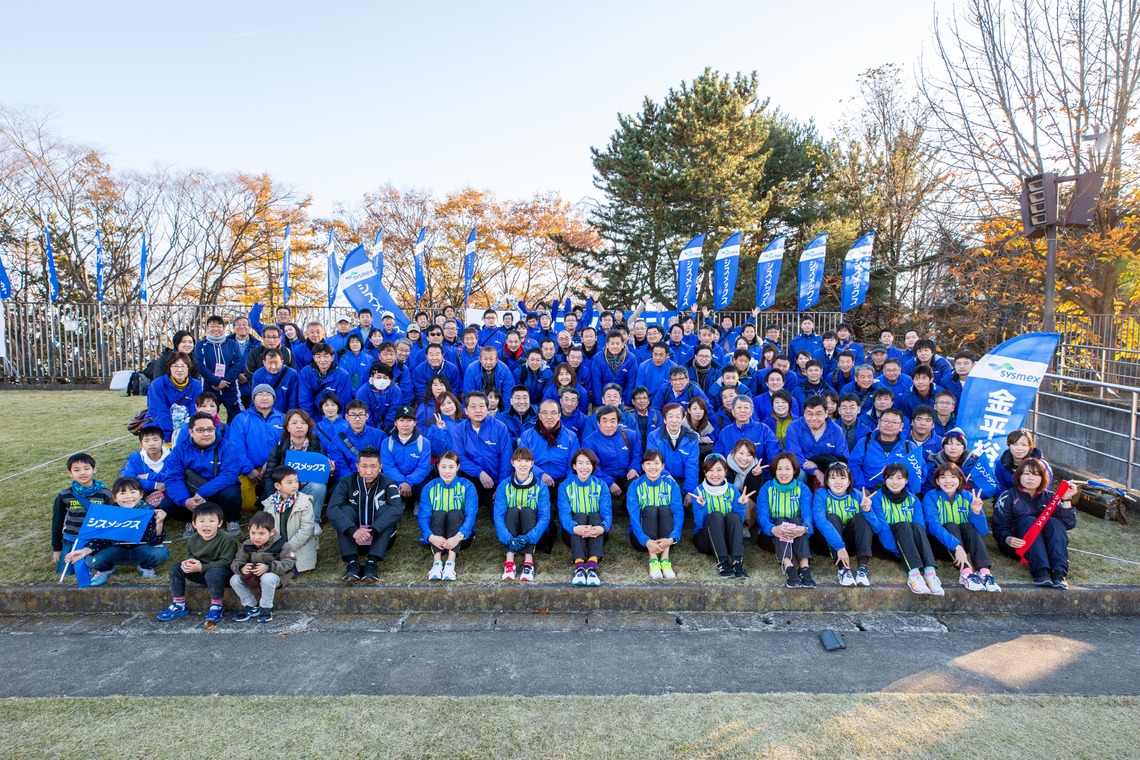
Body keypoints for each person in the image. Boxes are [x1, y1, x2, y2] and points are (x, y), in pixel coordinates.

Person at [62, 477, 169, 585]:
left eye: (133, 492)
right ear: (115, 497)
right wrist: (85, 551)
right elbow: (101, 539)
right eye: (122, 493)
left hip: (141, 549)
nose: (128, 497)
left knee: (161, 553)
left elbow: (154, 541)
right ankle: (106, 569)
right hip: (116, 550)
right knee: (91, 560)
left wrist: (159, 523)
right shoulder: (109, 513)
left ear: (141, 494)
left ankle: (145, 567)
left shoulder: (149, 511)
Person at [992, 457, 1078, 588]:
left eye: (1036, 474)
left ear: (1043, 478)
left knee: (1055, 523)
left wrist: (1066, 499)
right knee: (1029, 520)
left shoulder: (1049, 497)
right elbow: (999, 526)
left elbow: (1068, 523)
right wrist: (1007, 539)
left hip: (1045, 545)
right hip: (1018, 544)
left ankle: (1058, 573)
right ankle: (1041, 571)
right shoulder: (1008, 496)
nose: (1031, 478)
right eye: (1026, 474)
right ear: (1019, 476)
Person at [159, 411, 245, 534]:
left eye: (210, 429)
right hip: (191, 493)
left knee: (231, 494)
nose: (206, 434)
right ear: (191, 432)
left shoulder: (227, 447)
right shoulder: (179, 450)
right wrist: (185, 500)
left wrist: (203, 492)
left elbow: (229, 475)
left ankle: (231, 519)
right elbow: (173, 478)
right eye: (200, 430)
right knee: (166, 504)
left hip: (217, 491)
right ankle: (192, 520)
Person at [868, 463, 945, 595]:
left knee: (917, 526)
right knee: (903, 524)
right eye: (890, 478)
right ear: (884, 479)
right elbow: (882, 528)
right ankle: (914, 576)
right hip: (888, 546)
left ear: (906, 480)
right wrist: (897, 550)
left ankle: (930, 573)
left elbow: (919, 526)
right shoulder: (877, 497)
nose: (895, 482)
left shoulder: (913, 499)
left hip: (910, 546)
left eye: (899, 478)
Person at [328, 446, 403, 583]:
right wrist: (353, 530)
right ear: (357, 466)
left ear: (380, 467)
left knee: (388, 510)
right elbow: (332, 509)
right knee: (344, 510)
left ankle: (371, 563)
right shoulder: (346, 482)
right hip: (353, 537)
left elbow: (397, 509)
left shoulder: (389, 483)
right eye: (364, 466)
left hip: (379, 537)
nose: (368, 471)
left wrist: (372, 530)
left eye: (373, 466)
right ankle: (352, 563)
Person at [155, 502, 239, 625]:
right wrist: (188, 564)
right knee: (176, 567)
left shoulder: (227, 539)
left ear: (220, 523)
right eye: (201, 521)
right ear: (194, 524)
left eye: (211, 521)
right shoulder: (193, 539)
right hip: (202, 572)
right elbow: (192, 556)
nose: (206, 525)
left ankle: (217, 606)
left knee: (213, 573)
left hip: (223, 574)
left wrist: (202, 567)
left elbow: (227, 563)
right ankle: (179, 604)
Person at [922, 463, 999, 592]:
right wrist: (956, 546)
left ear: (960, 480)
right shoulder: (931, 497)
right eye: (943, 477)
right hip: (940, 545)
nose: (948, 481)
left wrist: (977, 513)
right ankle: (966, 573)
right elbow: (934, 527)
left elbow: (982, 532)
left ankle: (984, 572)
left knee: (968, 526)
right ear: (937, 481)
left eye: (953, 477)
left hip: (963, 546)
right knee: (951, 525)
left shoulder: (968, 497)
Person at [810, 463, 880, 587]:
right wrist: (839, 547)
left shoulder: (857, 495)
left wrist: (867, 510)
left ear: (849, 482)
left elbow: (877, 528)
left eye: (842, 478)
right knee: (831, 517)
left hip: (849, 545)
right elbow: (820, 521)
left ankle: (862, 569)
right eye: (833, 478)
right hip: (825, 545)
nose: (838, 482)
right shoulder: (821, 494)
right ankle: (843, 570)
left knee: (861, 518)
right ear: (826, 481)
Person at [265, 409, 332, 532]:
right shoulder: (280, 446)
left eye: (303, 422)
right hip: (285, 491)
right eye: (294, 423)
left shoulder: (316, 445)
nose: (299, 426)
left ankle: (314, 521)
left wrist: (330, 471)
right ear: (287, 427)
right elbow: (269, 474)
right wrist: (270, 498)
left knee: (318, 486)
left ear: (308, 426)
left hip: (307, 490)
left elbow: (323, 475)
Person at [756, 452, 815, 588]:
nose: (783, 473)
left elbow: (807, 514)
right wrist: (772, 529)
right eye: (779, 468)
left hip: (797, 535)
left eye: (787, 468)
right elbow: (762, 516)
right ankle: (789, 568)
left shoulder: (802, 489)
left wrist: (805, 528)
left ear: (794, 470)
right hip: (770, 536)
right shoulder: (767, 488)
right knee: (780, 521)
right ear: (774, 471)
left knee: (796, 520)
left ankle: (804, 568)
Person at [493, 447, 551, 582]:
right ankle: (509, 561)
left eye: (527, 460)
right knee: (512, 510)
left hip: (531, 529)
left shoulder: (540, 486)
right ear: (512, 463)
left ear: (532, 463)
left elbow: (544, 517)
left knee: (527, 510)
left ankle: (528, 562)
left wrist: (530, 537)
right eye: (519, 461)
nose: (522, 464)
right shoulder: (504, 485)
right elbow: (498, 515)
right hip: (511, 528)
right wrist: (507, 538)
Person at [419, 451, 478, 581]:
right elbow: (423, 516)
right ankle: (437, 563)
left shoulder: (467, 486)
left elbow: (471, 515)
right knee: (439, 513)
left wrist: (458, 536)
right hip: (436, 535)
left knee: (455, 512)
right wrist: (431, 536)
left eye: (451, 467)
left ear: (458, 467)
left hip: (460, 537)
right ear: (437, 467)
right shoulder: (429, 488)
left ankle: (450, 564)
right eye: (443, 467)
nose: (447, 471)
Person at [229, 511, 297, 623]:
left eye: (261, 533)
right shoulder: (247, 545)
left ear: (271, 532)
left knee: (267, 578)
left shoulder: (281, 544)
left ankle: (266, 608)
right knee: (234, 579)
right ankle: (251, 606)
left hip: (276, 575)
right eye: (253, 533)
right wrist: (241, 568)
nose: (256, 537)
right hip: (254, 575)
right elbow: (237, 561)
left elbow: (289, 562)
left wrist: (268, 567)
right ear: (249, 530)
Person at [626, 450, 684, 580]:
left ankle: (665, 560)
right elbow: (634, 517)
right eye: (648, 463)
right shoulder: (635, 486)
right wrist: (646, 540)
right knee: (650, 509)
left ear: (663, 466)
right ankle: (653, 560)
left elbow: (678, 514)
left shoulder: (672, 485)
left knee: (664, 509)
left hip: (666, 541)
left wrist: (672, 538)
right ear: (643, 466)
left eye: (656, 463)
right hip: (642, 540)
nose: (652, 467)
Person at [558, 449, 612, 587]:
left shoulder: (601, 485)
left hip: (597, 533)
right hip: (571, 533)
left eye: (588, 463)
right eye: (580, 463)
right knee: (580, 516)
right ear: (574, 466)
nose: (584, 467)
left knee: (595, 515)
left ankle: (592, 567)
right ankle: (580, 568)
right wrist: (575, 528)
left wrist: (602, 527)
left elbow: (606, 513)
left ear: (593, 466)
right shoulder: (565, 486)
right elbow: (564, 514)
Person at [691, 454, 752, 578]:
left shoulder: (732, 490)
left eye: (719, 470)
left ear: (726, 472)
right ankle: (722, 562)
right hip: (706, 539)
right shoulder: (699, 491)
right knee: (715, 516)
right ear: (704, 472)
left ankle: (737, 563)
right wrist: (701, 507)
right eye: (710, 470)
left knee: (733, 516)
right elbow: (699, 523)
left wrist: (741, 505)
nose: (715, 474)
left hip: (727, 539)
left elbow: (738, 521)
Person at [450, 391, 513, 507]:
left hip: (495, 480)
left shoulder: (500, 427)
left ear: (487, 408)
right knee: (457, 471)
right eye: (473, 407)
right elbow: (459, 457)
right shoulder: (459, 430)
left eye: (481, 406)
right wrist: (479, 472)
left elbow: (506, 457)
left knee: (499, 513)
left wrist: (501, 485)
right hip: (473, 478)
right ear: (466, 410)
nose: (478, 410)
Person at [229, 384, 286, 510]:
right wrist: (248, 470)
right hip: (249, 470)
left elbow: (287, 446)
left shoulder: (283, 419)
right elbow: (236, 448)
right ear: (253, 399)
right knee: (248, 505)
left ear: (274, 399)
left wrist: (274, 465)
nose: (264, 397)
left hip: (275, 468)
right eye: (260, 394)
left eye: (268, 395)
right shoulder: (241, 419)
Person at [260, 465, 317, 574]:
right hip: (276, 549)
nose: (295, 485)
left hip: (299, 548)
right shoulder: (269, 503)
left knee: (289, 570)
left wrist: (286, 548)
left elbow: (306, 530)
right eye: (289, 482)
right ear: (277, 485)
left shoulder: (305, 502)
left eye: (296, 481)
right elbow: (266, 529)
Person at [582, 405, 642, 504]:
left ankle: (627, 507)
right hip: (602, 477)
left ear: (618, 422)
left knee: (638, 486)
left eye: (613, 421)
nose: (608, 425)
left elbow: (637, 455)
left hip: (625, 474)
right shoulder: (589, 442)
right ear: (598, 423)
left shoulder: (630, 435)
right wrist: (609, 483)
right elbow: (593, 467)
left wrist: (634, 468)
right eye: (604, 421)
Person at [785, 396, 850, 486]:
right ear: (804, 413)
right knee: (798, 474)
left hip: (828, 468)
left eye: (818, 414)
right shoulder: (794, 427)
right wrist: (815, 471)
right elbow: (794, 455)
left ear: (826, 413)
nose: (814, 418)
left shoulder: (836, 430)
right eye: (809, 414)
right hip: (803, 467)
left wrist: (819, 466)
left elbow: (842, 458)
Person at [381, 406, 434, 508]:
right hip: (396, 479)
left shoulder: (424, 442)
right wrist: (402, 481)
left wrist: (408, 482)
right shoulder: (387, 442)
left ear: (414, 423)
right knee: (387, 489)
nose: (405, 424)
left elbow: (423, 467)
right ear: (395, 423)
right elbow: (388, 467)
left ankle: (417, 500)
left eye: (409, 420)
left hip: (416, 479)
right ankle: (401, 500)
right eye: (401, 420)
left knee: (424, 489)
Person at [193, 315, 243, 421]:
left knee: (237, 416)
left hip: (230, 386)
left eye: (219, 326)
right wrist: (216, 381)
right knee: (207, 416)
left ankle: (233, 436)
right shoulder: (201, 345)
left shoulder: (232, 344)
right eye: (212, 326)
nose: (216, 329)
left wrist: (225, 381)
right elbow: (201, 366)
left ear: (224, 328)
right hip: (209, 387)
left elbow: (237, 364)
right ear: (207, 328)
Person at [146, 352, 202, 443]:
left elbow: (195, 409)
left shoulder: (196, 385)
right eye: (175, 366)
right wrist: (168, 436)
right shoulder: (157, 385)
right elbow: (159, 411)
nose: (179, 370)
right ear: (169, 368)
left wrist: (190, 430)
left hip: (186, 429)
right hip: (160, 427)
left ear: (188, 368)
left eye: (183, 366)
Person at [646, 403, 700, 495]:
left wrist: (690, 491)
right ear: (664, 419)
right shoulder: (654, 436)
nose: (674, 420)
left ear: (682, 419)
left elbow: (692, 466)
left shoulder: (692, 438)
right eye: (670, 416)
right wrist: (667, 477)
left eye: (678, 417)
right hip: (660, 478)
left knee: (690, 505)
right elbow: (653, 462)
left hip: (684, 480)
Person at [327, 400, 387, 476]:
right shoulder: (337, 440)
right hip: (350, 481)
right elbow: (340, 467)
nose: (357, 419)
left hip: (375, 478)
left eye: (361, 415)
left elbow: (384, 462)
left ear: (367, 416)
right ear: (347, 417)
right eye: (353, 415)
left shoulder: (380, 435)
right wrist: (354, 482)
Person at [298, 343, 353, 417]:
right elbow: (304, 399)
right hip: (314, 415)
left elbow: (343, 402)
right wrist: (308, 420)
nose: (322, 360)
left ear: (332, 357)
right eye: (318, 356)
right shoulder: (306, 372)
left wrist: (337, 422)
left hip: (334, 416)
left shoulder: (342, 375)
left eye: (326, 356)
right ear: (314, 358)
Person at [120, 425, 170, 505]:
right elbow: (128, 479)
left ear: (163, 442)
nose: (151, 444)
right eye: (146, 441)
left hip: (168, 491)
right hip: (141, 493)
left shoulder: (173, 457)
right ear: (141, 444)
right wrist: (154, 485)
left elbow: (175, 476)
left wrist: (147, 476)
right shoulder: (135, 458)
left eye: (155, 440)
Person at [591, 331, 639, 406]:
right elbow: (596, 383)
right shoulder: (598, 358)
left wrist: (628, 404)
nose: (615, 346)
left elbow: (631, 382)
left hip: (623, 399)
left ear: (623, 345)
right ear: (607, 345)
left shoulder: (631, 358)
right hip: (604, 399)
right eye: (612, 343)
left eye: (618, 343)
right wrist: (599, 404)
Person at [354, 361, 401, 430]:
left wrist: (387, 428)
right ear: (372, 376)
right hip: (367, 427)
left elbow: (394, 411)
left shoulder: (395, 390)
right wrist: (372, 430)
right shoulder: (363, 391)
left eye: (385, 377)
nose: (382, 380)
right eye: (378, 377)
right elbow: (364, 413)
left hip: (388, 427)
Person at [250, 348, 299, 413]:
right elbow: (255, 398)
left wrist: (289, 416)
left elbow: (294, 400)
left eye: (276, 363)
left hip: (284, 413)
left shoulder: (292, 374)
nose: (273, 366)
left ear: (282, 361)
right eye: (270, 363)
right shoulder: (258, 374)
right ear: (264, 362)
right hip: (264, 413)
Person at [994, 429, 1041, 493]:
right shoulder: (1000, 464)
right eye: (1015, 444)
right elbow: (1000, 488)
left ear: (1030, 446)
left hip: (1033, 500)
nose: (1019, 448)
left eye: (1024, 445)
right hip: (1008, 499)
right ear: (1008, 445)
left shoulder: (1040, 465)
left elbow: (1043, 488)